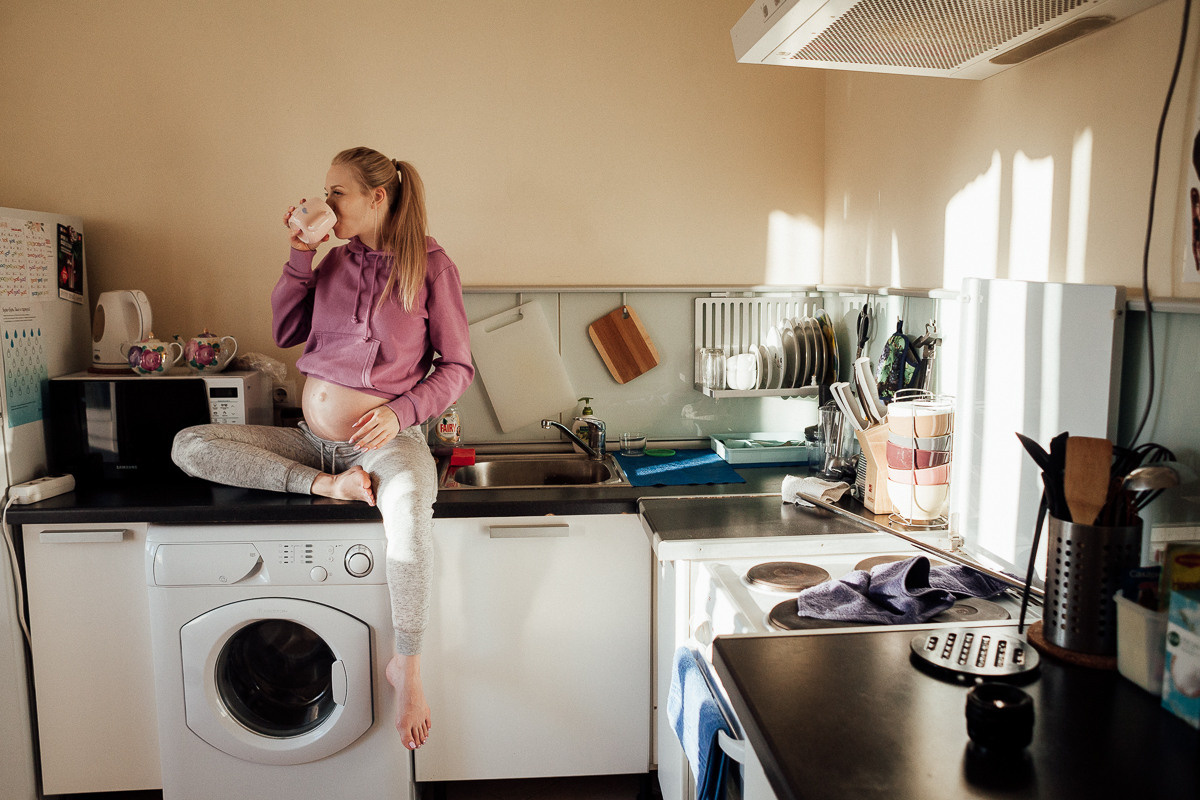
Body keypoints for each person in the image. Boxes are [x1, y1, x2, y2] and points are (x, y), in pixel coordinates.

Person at [172, 146, 474, 751]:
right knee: (191, 444)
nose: (326, 202)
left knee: (412, 505)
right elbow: (285, 332)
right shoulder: (332, 264)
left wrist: (399, 413)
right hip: (311, 447)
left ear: (376, 198)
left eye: (337, 192)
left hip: (384, 446)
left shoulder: (432, 268)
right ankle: (322, 487)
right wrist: (301, 254)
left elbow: (458, 366)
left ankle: (407, 667)